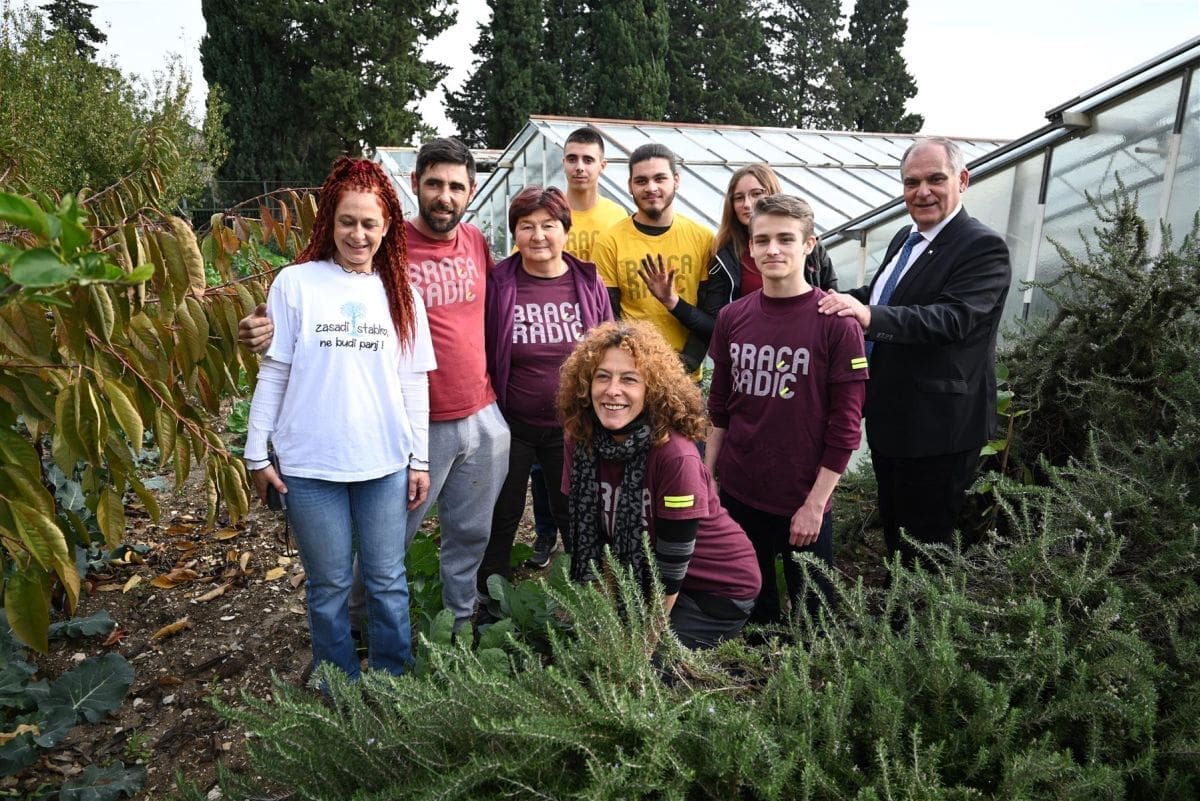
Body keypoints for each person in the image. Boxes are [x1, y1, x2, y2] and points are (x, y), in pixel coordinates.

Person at [240, 138, 510, 630]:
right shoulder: (390, 248)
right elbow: (327, 298)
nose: (444, 196)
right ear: (415, 187)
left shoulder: (474, 241)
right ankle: (356, 624)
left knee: (469, 531)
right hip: (414, 424)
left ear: (471, 191)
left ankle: (460, 621)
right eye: (434, 184)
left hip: (480, 410)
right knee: (389, 544)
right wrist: (268, 324)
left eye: (455, 186)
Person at [244, 157, 436, 680]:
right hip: (310, 467)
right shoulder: (296, 283)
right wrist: (256, 452)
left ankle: (394, 679)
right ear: (329, 221)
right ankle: (338, 684)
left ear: (387, 226)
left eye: (369, 223)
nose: (358, 234)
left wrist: (419, 458)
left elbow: (413, 382)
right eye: (347, 221)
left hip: (383, 463)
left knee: (387, 579)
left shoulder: (402, 296)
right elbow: (276, 372)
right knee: (328, 584)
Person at [817, 137, 1012, 567]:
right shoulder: (907, 238)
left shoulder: (981, 246)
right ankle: (895, 618)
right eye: (911, 182)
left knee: (925, 546)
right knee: (896, 530)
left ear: (962, 181)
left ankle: (917, 628)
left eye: (935, 179)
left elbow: (952, 319)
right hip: (894, 416)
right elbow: (885, 293)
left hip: (939, 427)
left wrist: (868, 316)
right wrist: (823, 302)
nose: (922, 191)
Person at [705, 195, 867, 624]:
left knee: (816, 615)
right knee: (754, 609)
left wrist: (815, 504)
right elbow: (720, 407)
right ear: (751, 249)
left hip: (802, 495)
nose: (773, 249)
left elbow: (847, 426)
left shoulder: (836, 322)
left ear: (809, 244)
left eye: (785, 239)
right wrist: (709, 477)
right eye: (762, 240)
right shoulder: (732, 318)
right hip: (741, 489)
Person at [557, 321, 761, 648]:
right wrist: (603, 611)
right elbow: (596, 538)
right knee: (578, 644)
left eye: (629, 379)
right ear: (585, 384)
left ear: (651, 389)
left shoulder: (673, 456)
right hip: (643, 578)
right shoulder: (579, 442)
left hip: (715, 587)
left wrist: (641, 647)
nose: (612, 390)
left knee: (649, 669)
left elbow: (671, 568)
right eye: (602, 376)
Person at [478, 186, 613, 593]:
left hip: (572, 427)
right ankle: (490, 596)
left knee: (574, 510)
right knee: (502, 512)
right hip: (511, 424)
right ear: (514, 234)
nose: (538, 236)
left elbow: (607, 348)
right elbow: (483, 346)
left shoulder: (587, 282)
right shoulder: (499, 284)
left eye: (548, 225)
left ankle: (584, 598)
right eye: (526, 226)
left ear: (565, 231)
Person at [523, 126, 629, 569]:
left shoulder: (615, 220)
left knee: (580, 460)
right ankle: (546, 535)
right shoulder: (547, 210)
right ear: (563, 163)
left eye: (589, 159)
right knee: (540, 466)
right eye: (572, 158)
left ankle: (589, 547)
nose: (580, 166)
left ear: (603, 166)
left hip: (589, 343)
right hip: (542, 344)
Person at [680, 164, 837, 368]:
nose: (747, 204)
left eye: (756, 194)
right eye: (739, 198)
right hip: (750, 358)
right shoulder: (725, 255)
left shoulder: (810, 248)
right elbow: (715, 322)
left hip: (805, 355)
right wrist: (675, 303)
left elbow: (832, 296)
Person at [591, 144, 715, 373]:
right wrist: (633, 365)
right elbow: (609, 317)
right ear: (630, 186)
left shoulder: (704, 239)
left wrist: (684, 365)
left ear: (676, 180)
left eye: (660, 178)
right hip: (631, 372)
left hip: (685, 374)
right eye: (641, 181)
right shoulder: (610, 242)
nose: (651, 188)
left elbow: (709, 318)